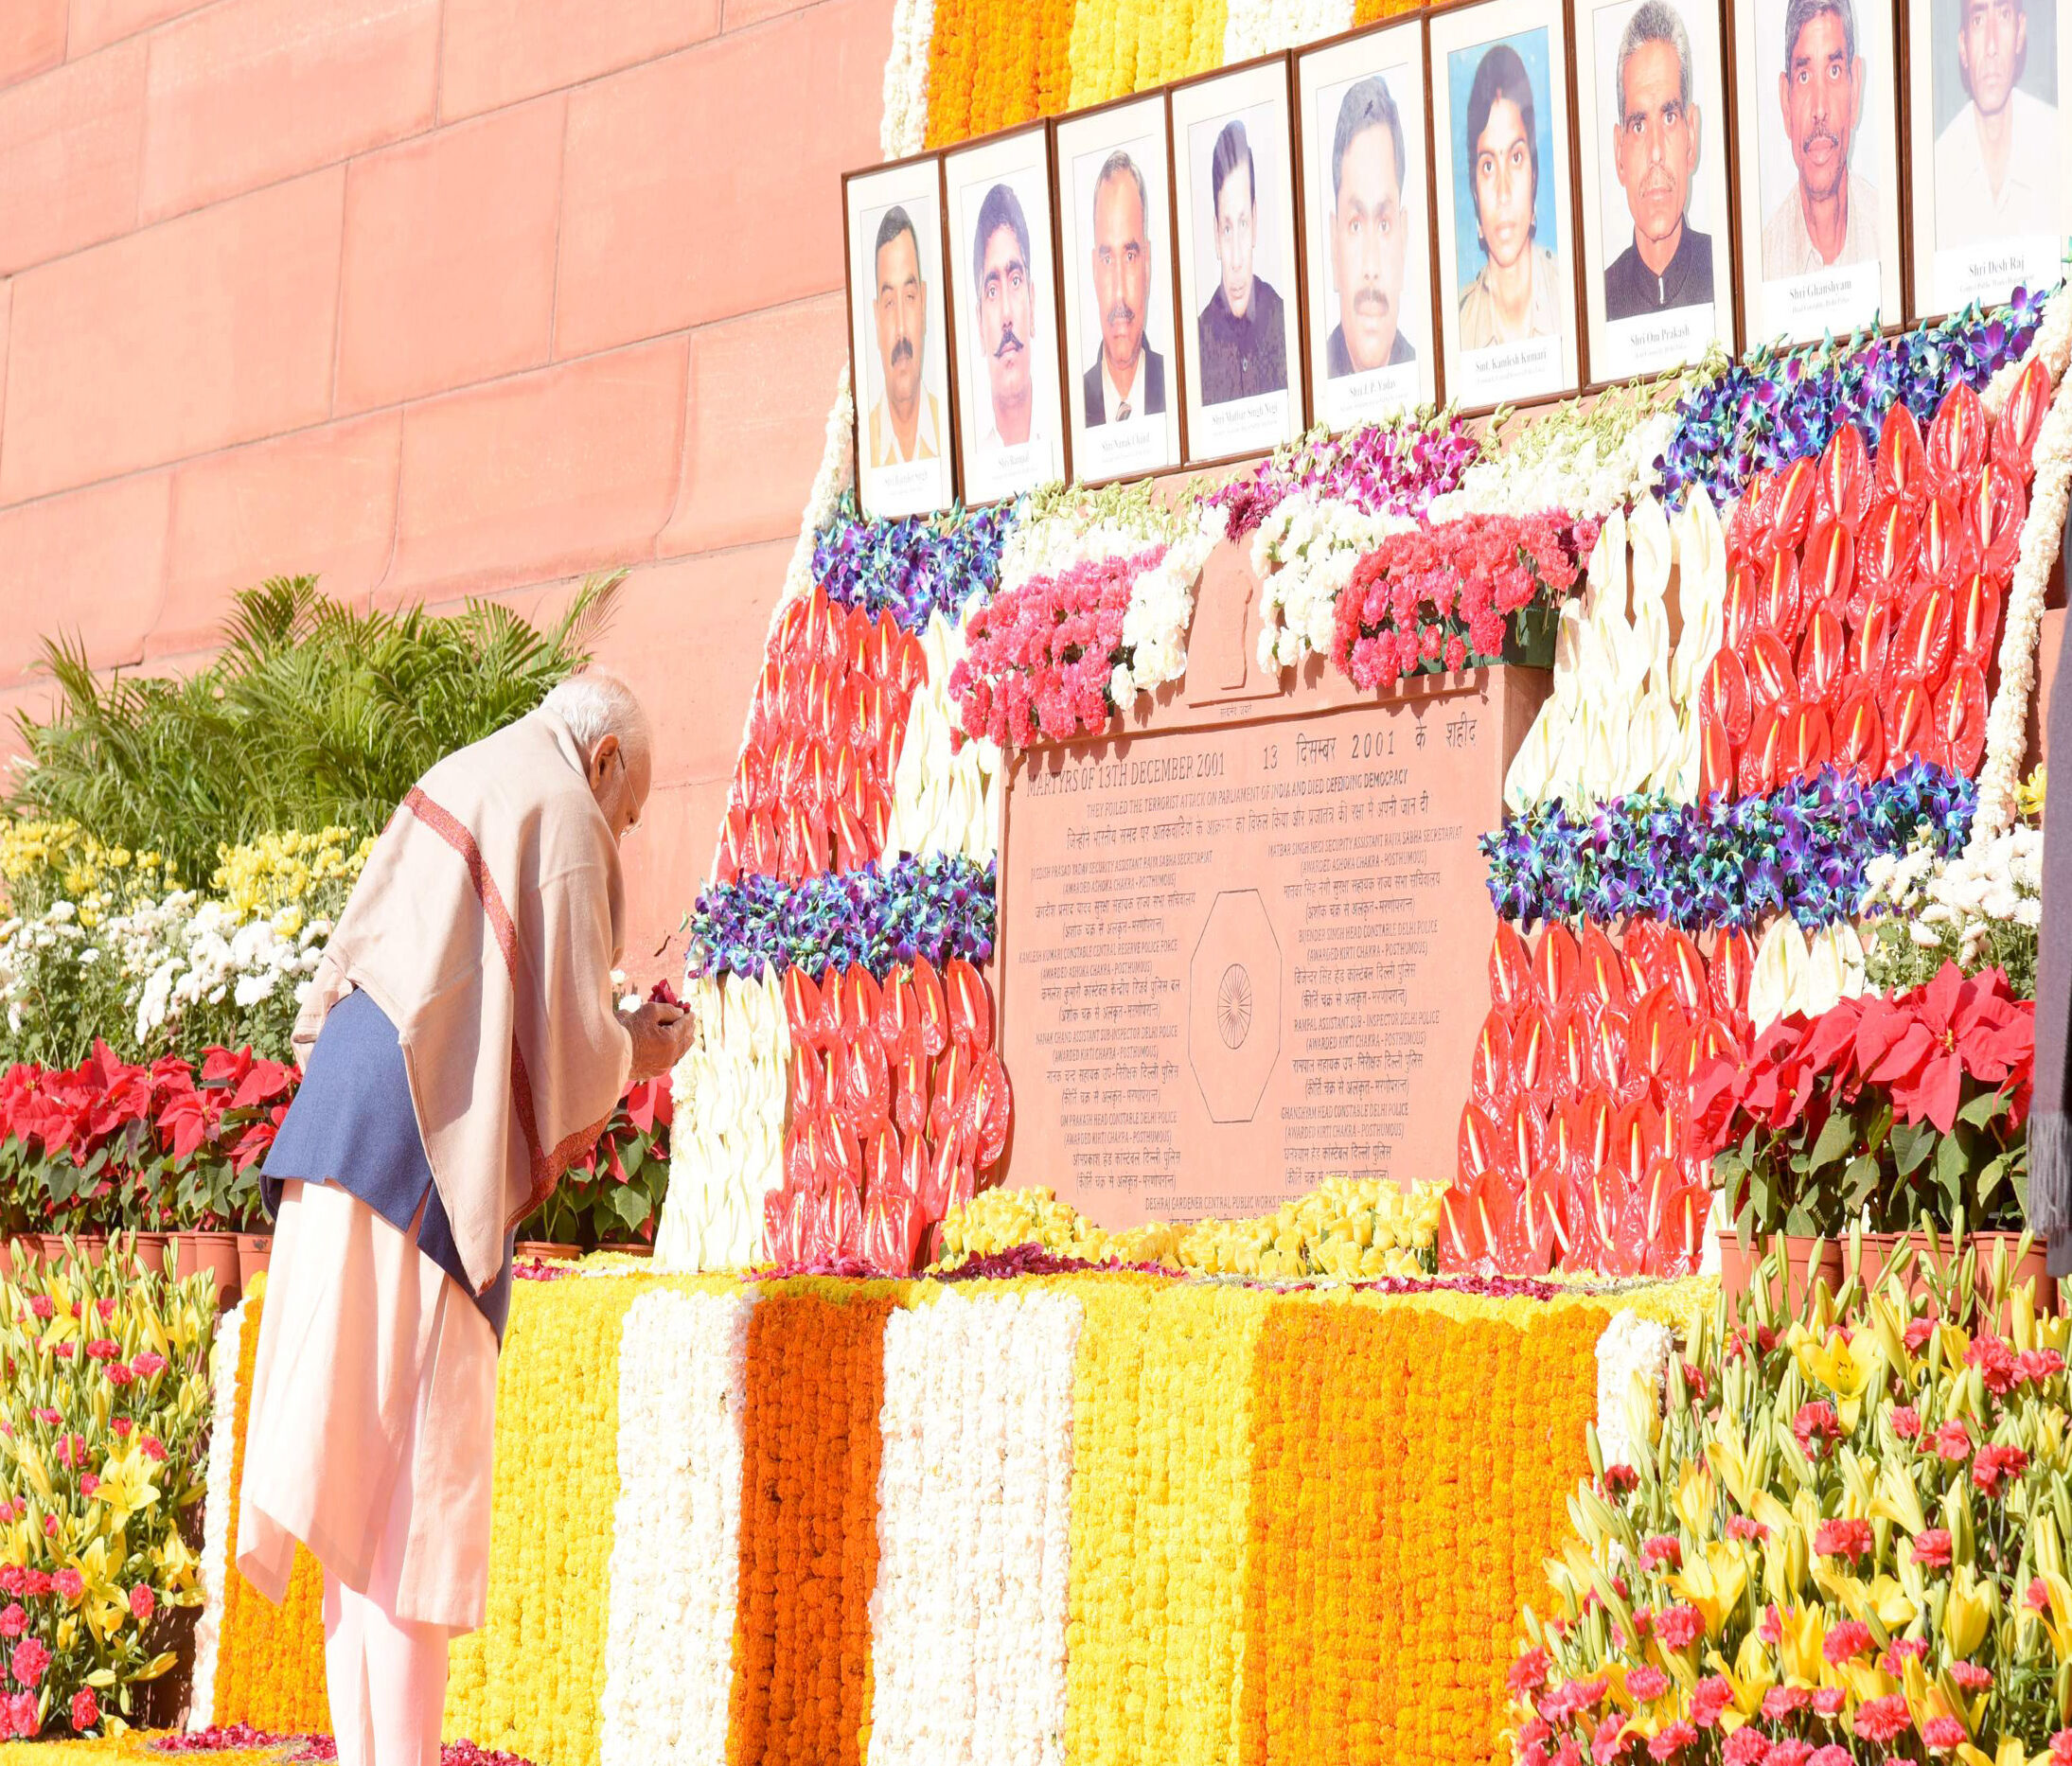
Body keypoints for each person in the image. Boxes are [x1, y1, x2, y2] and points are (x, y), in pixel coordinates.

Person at [236, 672, 697, 1766]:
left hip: (332, 1138)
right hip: (421, 1168)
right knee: (409, 1520)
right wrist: (645, 1045)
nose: (620, 831)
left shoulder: (461, 771)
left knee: (351, 1497)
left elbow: (349, 968)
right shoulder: (568, 811)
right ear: (608, 765)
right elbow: (578, 1056)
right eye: (630, 815)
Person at [1603, 1, 1716, 320]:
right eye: (1638, 126)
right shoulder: (1597, 308)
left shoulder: (1730, 275)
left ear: (1691, 138)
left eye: (1669, 117)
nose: (1655, 152)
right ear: (1619, 155)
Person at [1760, 0, 1883, 276]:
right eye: (1804, 76)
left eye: (1834, 71)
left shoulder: (1892, 241)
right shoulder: (1762, 270)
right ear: (1785, 103)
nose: (1819, 110)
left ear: (1855, 91)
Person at [1458, 42, 1564, 349]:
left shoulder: (1572, 298)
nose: (1503, 192)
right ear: (1475, 193)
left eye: (1516, 157)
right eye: (1488, 165)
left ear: (1534, 175)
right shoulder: (1458, 332)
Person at [1933, 0, 2058, 247]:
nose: (1991, 46)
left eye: (2003, 15)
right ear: (1963, 46)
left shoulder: (2059, 145)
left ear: (2020, 32)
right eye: (1978, 20)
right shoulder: (1938, 175)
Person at [1325, 75, 1418, 378]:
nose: (1371, 266)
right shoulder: (1315, 383)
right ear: (1333, 246)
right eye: (1354, 225)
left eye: (1383, 225)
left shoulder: (1426, 378)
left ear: (1403, 241)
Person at [1195, 119, 1288, 405]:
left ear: (1256, 222)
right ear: (1215, 234)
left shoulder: (1285, 321)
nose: (1235, 259)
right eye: (1226, 229)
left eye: (1243, 224)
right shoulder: (1197, 342)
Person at [1082, 150, 1167, 426]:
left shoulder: (1178, 387)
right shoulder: (1073, 409)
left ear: (1148, 264)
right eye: (1108, 260)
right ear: (1094, 271)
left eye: (1130, 256)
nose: (1119, 292)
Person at [866, 205, 945, 468]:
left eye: (909, 298)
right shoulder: (863, 450)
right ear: (876, 319)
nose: (901, 329)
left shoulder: (951, 427)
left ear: (923, 304)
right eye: (889, 303)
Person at [971, 183, 1042, 452]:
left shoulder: (1061, 439)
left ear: (1032, 303)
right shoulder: (973, 456)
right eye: (991, 290)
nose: (1006, 315)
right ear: (979, 324)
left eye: (1015, 281)